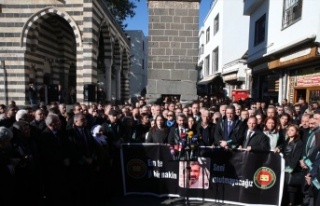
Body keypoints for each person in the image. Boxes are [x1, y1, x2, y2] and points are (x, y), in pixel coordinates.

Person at [277, 124, 304, 206]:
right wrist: (279, 147)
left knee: (291, 188)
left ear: (296, 132)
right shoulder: (287, 140)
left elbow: (296, 157)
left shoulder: (299, 143)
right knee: (284, 187)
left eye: (292, 130)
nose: (289, 132)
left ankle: (291, 203)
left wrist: (290, 168)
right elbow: (283, 147)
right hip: (284, 166)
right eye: (288, 130)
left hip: (291, 168)